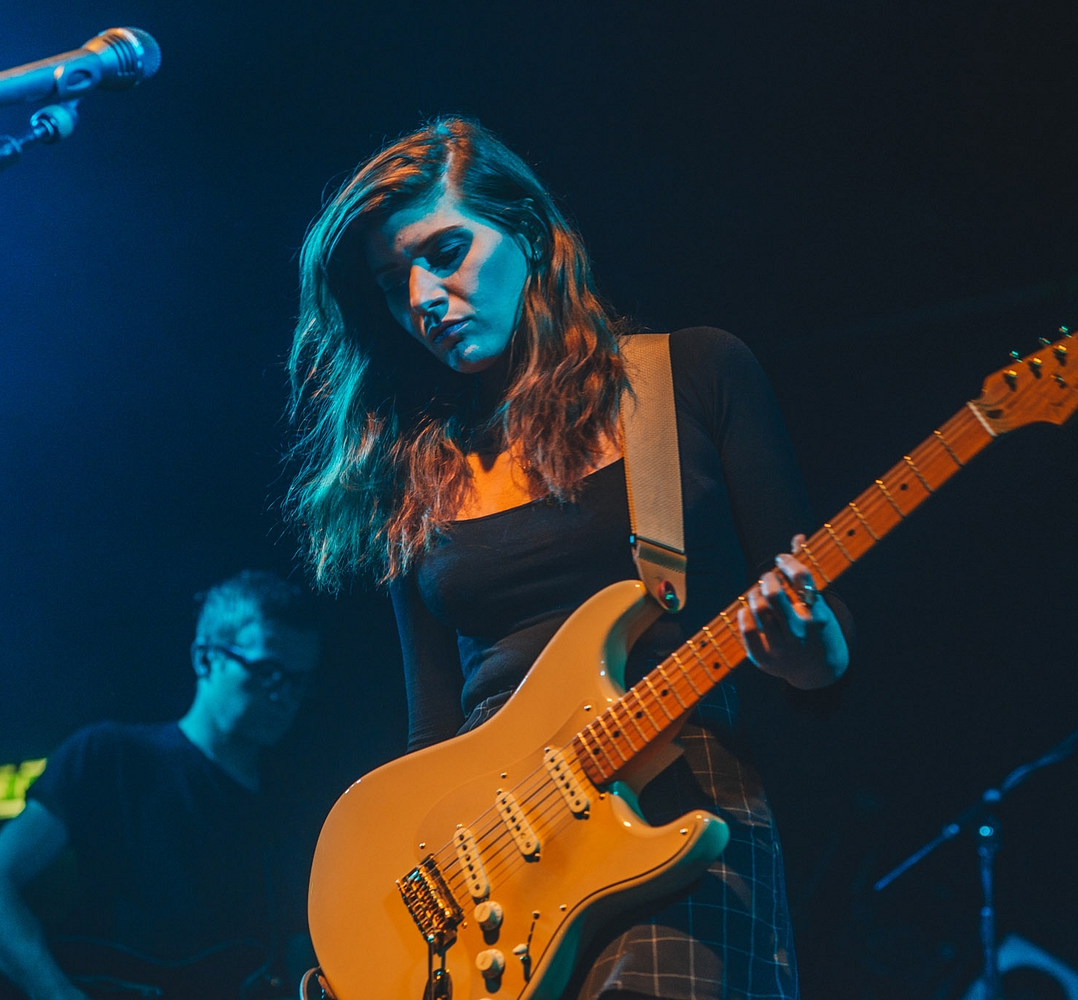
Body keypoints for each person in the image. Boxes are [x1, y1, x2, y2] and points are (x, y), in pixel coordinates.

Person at [285, 117, 851, 1000]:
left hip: (677, 811)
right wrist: (387, 942)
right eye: (395, 284)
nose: (424, 297)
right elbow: (432, 738)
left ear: (530, 232)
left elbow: (823, 642)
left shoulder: (690, 378)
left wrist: (809, 651)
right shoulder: (415, 477)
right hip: (496, 881)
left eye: (446, 251)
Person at [0, 570, 322, 1000]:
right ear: (205, 658)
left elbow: (294, 948)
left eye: (299, 680)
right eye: (268, 671)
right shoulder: (111, 755)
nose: (285, 695)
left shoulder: (290, 807)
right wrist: (56, 993)